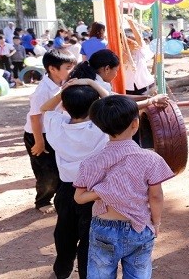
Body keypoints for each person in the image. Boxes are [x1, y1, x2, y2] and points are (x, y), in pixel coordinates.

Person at [73, 95, 175, 278]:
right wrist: (156, 222)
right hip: (140, 226)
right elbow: (156, 196)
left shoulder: (91, 162)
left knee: (100, 274)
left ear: (101, 126)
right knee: (138, 274)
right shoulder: (151, 159)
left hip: (103, 227)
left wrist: (101, 191)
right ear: (135, 124)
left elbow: (79, 198)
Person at [40, 79, 109, 279]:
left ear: (65, 106)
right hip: (93, 192)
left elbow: (45, 108)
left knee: (64, 234)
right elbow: (114, 102)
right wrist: (91, 83)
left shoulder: (57, 126)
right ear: (94, 107)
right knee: (89, 239)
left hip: (67, 190)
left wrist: (65, 91)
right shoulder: (99, 128)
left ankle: (61, 271)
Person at [24, 51, 77, 213]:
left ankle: (62, 199)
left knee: (60, 167)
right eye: (68, 67)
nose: (72, 70)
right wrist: (39, 142)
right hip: (38, 134)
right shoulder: (43, 91)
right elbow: (35, 118)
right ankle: (42, 201)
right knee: (47, 173)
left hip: (54, 132)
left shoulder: (63, 83)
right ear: (52, 69)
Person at [124, 18, 155, 95]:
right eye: (128, 39)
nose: (130, 41)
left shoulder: (141, 50)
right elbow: (122, 61)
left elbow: (139, 39)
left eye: (132, 38)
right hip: (127, 87)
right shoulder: (121, 52)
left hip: (144, 85)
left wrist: (132, 25)